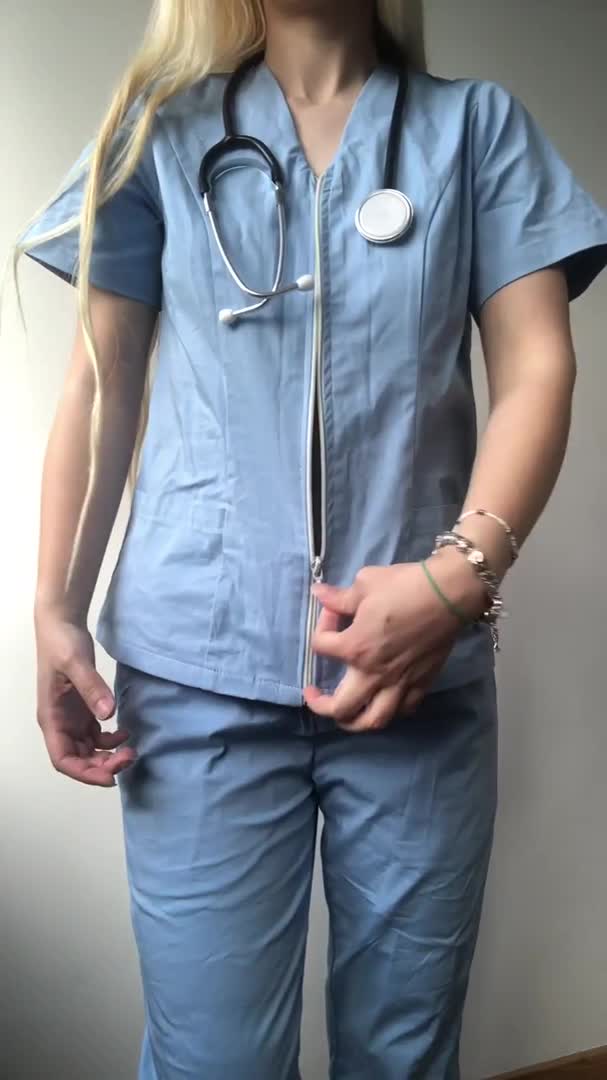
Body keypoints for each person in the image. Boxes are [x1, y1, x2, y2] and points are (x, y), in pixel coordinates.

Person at [16, 0, 607, 1076]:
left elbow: (536, 369)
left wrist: (455, 581)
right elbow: (100, 387)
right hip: (194, 681)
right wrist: (55, 604)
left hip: (418, 678)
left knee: (403, 1053)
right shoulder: (159, 133)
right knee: (212, 1062)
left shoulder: (476, 131)